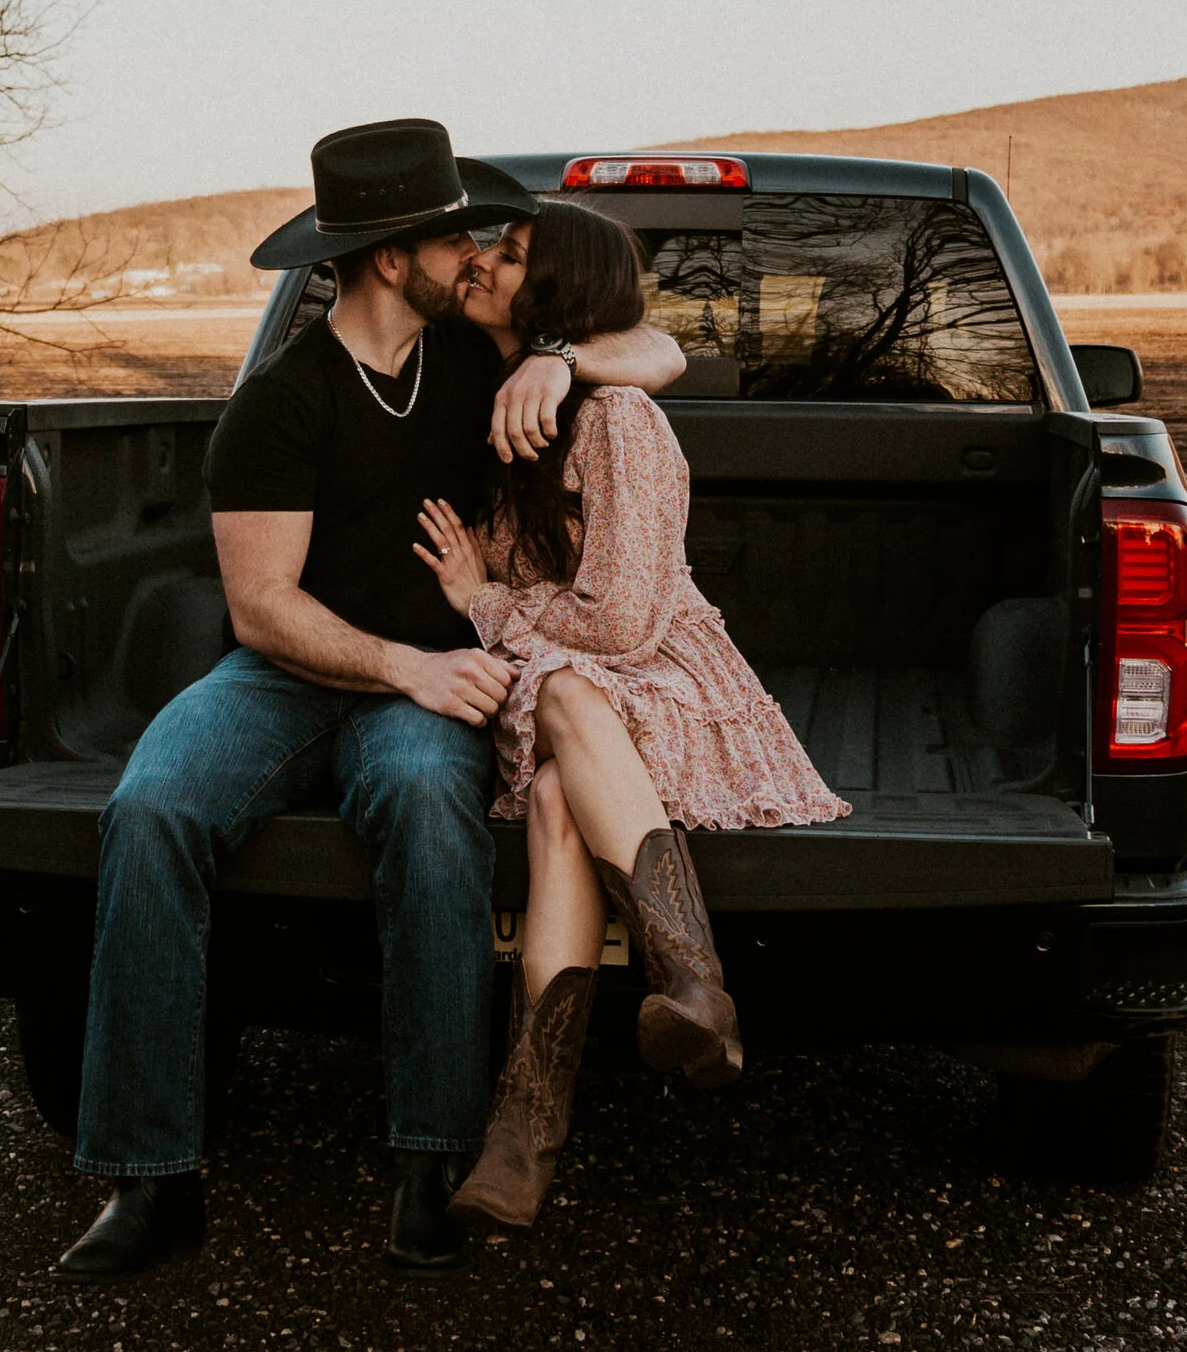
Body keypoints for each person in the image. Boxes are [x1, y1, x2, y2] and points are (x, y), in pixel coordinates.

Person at [60, 120, 685, 1285]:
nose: (476, 253)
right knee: (148, 811)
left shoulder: (480, 362)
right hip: (293, 676)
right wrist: (407, 667)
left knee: (428, 817)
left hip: (421, 690)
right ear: (394, 258)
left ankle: (428, 1167)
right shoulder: (280, 403)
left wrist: (562, 359)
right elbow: (259, 607)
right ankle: (149, 1181)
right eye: (455, 238)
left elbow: (662, 351)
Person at [414, 199, 847, 1232]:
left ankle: (670, 998)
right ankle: (547, 1113)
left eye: (510, 258)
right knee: (561, 788)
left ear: (556, 294)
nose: (480, 264)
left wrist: (485, 605)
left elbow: (614, 626)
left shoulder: (617, 419)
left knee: (565, 695)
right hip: (588, 721)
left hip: (671, 691)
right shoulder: (496, 396)